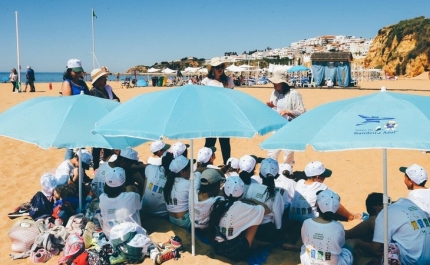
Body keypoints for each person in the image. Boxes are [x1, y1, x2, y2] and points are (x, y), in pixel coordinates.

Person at [208, 176, 269, 261]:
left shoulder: (218, 201)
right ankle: (251, 243)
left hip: (215, 246)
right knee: (255, 218)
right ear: (242, 192)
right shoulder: (242, 207)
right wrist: (251, 200)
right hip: (233, 252)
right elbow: (267, 210)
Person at [289, 161, 361, 222]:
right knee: (329, 199)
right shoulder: (320, 186)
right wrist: (349, 216)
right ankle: (351, 216)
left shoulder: (300, 182)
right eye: (323, 176)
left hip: (292, 219)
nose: (324, 178)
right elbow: (335, 199)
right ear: (317, 177)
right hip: (309, 221)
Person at [300, 189, 356, 265]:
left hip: (309, 262)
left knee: (304, 247)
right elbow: (341, 244)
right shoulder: (338, 226)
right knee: (351, 242)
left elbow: (304, 241)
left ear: (317, 205)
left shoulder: (306, 223)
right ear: (336, 209)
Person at [370, 197, 430, 264]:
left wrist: (358, 242)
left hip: (411, 260)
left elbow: (376, 248)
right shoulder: (410, 205)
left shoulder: (384, 213)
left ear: (376, 208)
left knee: (388, 249)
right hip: (428, 258)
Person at [266, 70, 306, 166]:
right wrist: (272, 107)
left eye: (276, 82)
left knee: (288, 155)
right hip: (277, 128)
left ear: (283, 83)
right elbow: (278, 109)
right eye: (273, 82)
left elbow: (302, 112)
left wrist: (289, 112)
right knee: (272, 153)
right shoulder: (274, 93)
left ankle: (287, 174)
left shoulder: (294, 94)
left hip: (289, 129)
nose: (273, 84)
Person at [201, 57, 234, 165]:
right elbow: (201, 98)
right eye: (217, 67)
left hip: (225, 115)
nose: (220, 69)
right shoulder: (206, 81)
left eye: (221, 67)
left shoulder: (228, 81)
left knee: (225, 143)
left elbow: (232, 97)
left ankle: (227, 165)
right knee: (210, 142)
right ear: (213, 69)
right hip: (210, 115)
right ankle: (205, 165)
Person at [244, 158, 284, 242]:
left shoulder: (252, 186)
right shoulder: (276, 194)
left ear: (260, 174)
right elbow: (277, 216)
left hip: (249, 225)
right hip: (266, 229)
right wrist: (279, 230)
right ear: (277, 175)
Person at [99, 166, 141, 239]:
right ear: (123, 183)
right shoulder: (132, 196)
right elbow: (139, 207)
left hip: (110, 235)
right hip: (130, 236)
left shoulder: (102, 197)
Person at [345, 193, 383, 257]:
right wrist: (357, 242)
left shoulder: (377, 220)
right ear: (376, 208)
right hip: (345, 238)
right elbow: (375, 248)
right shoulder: (373, 221)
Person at [140, 152, 174, 218]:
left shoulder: (150, 168)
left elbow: (144, 190)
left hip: (144, 209)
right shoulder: (176, 178)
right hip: (163, 215)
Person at [163, 155, 192, 229]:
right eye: (189, 169)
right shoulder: (188, 183)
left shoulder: (169, 182)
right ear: (182, 172)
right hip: (184, 221)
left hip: (172, 219)